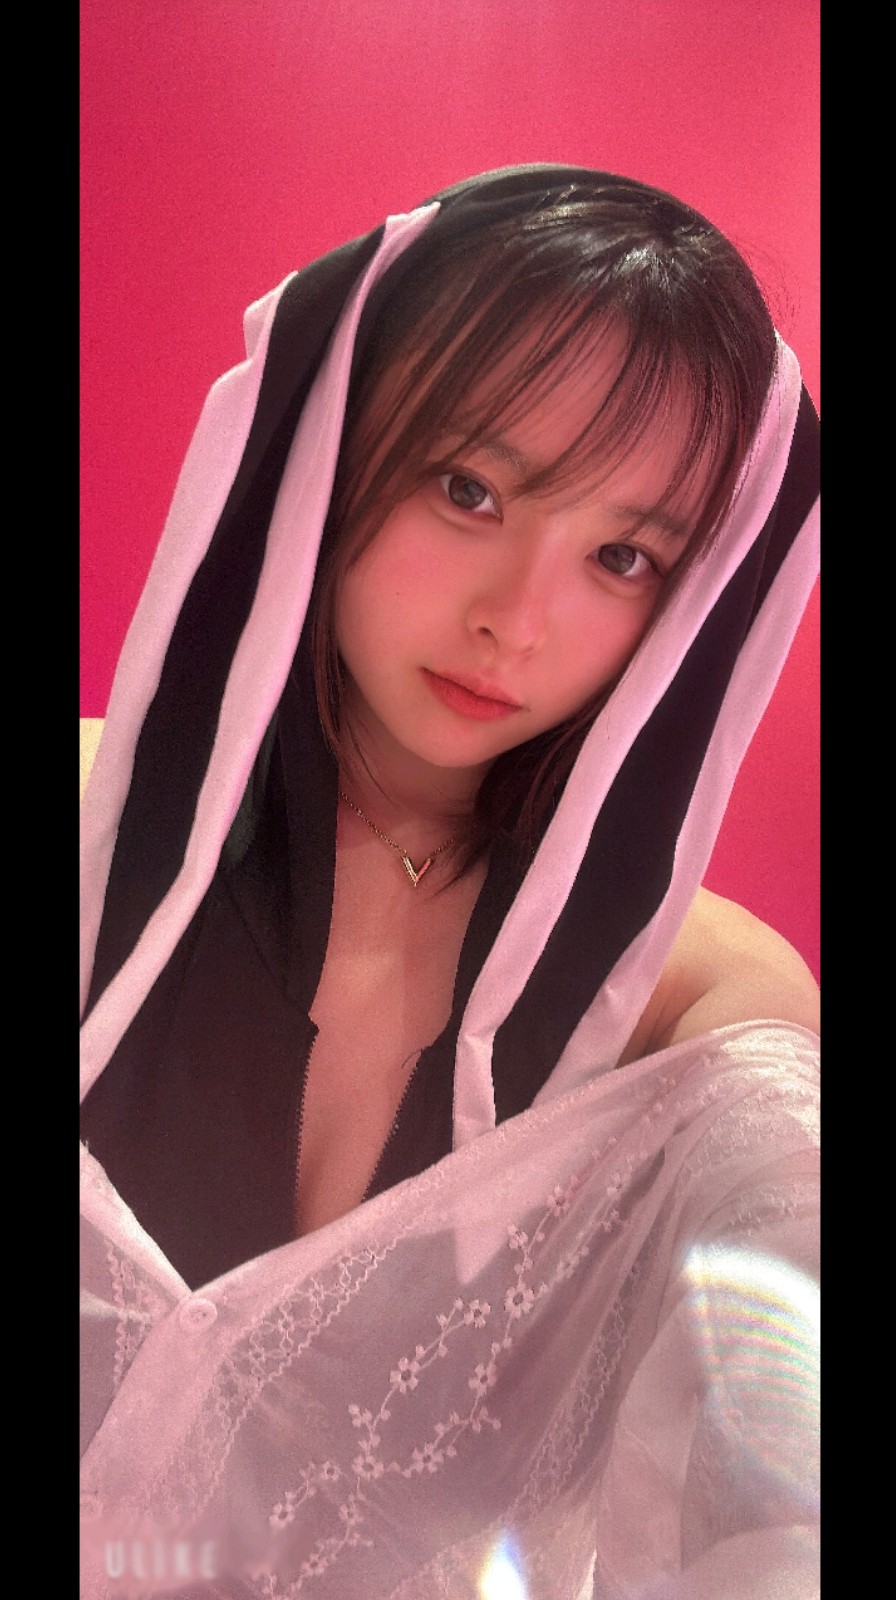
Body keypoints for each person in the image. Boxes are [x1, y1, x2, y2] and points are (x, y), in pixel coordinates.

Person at [80, 165, 820, 1598]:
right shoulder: (100, 840)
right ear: (333, 443)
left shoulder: (685, 1002)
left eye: (623, 556)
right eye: (468, 487)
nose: (518, 622)